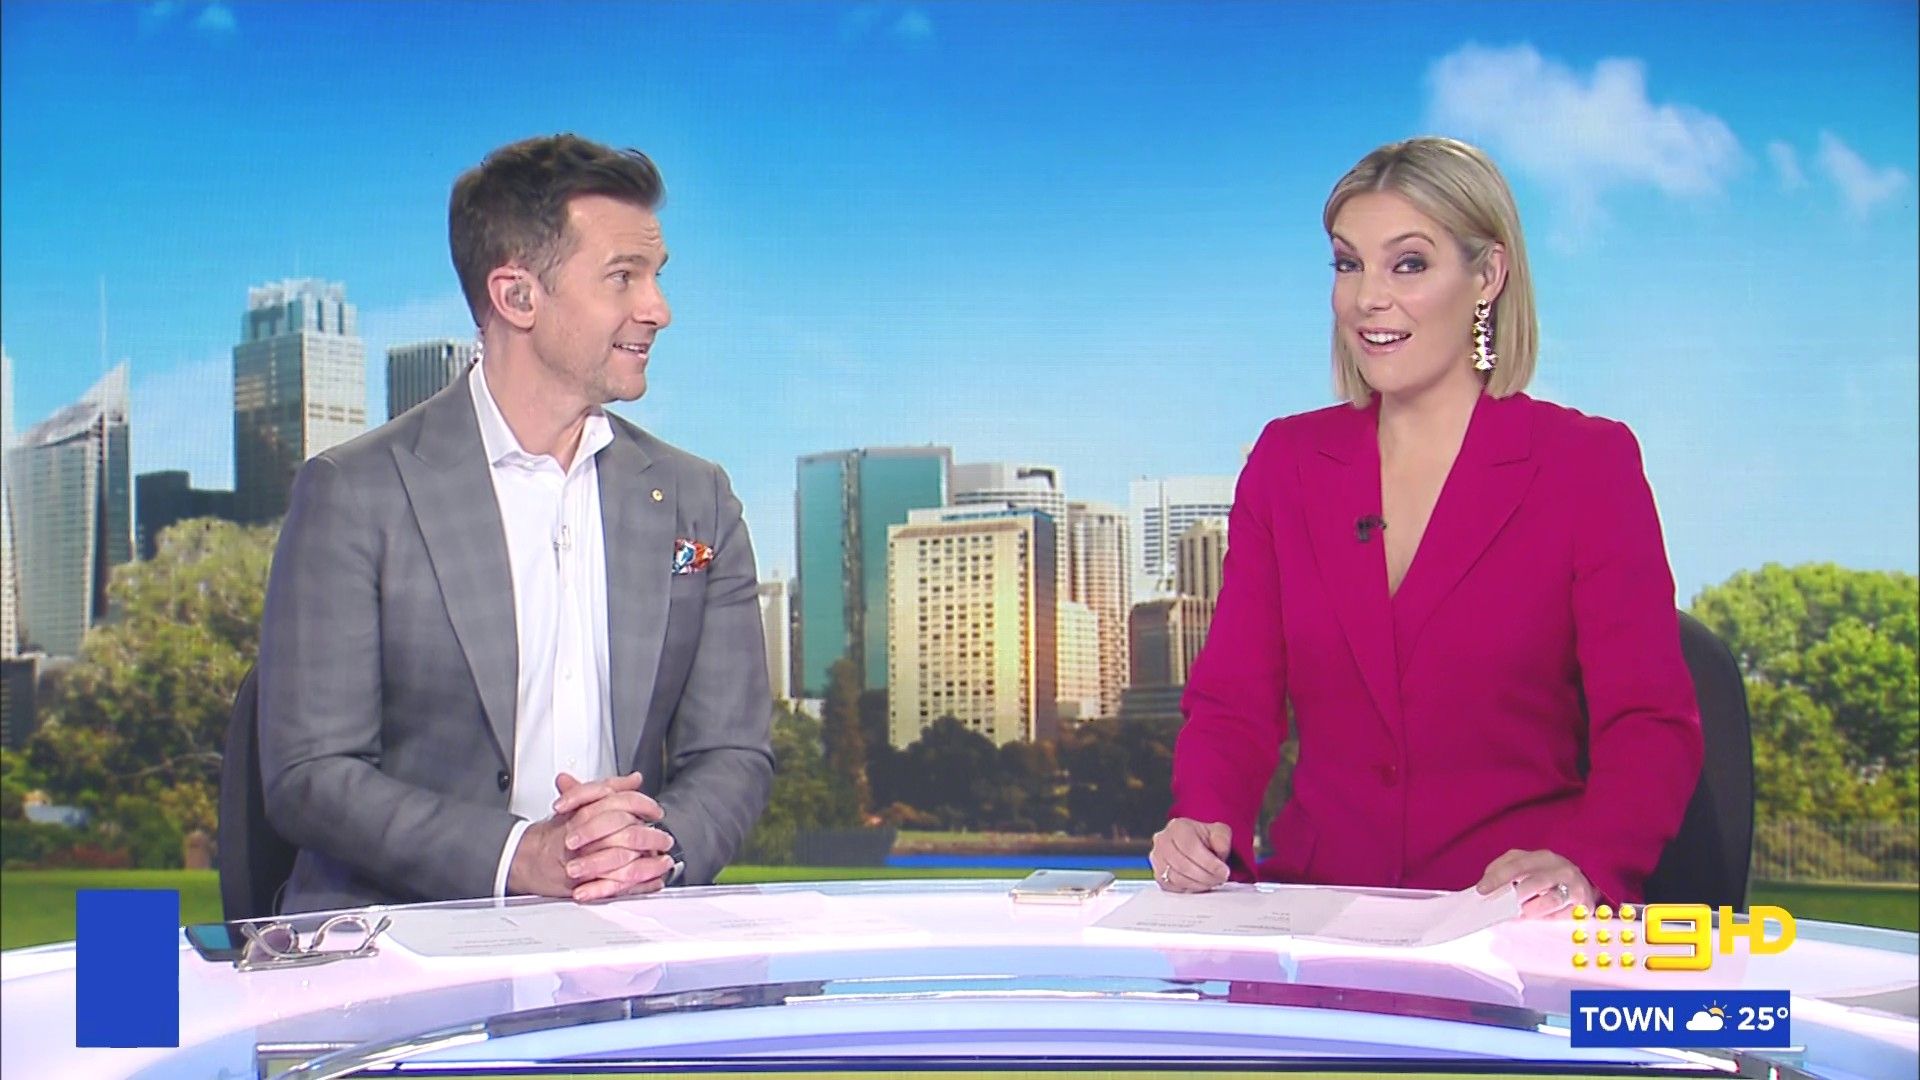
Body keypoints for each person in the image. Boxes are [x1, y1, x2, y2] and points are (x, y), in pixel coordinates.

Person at [1151, 136, 1702, 915]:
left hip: (1510, 916)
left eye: (1407, 264)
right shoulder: (1288, 463)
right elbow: (1233, 705)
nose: (1367, 298)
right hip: (1316, 916)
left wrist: (1586, 862)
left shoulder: (1585, 465)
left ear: (1487, 276)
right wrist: (1204, 825)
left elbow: (1649, 723)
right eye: (1349, 264)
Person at [258, 134, 774, 913]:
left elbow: (733, 752)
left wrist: (650, 852)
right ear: (517, 296)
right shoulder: (355, 493)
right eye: (623, 277)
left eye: (657, 276)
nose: (658, 310)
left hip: (622, 936)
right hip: (403, 938)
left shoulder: (698, 499)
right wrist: (521, 856)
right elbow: (311, 775)